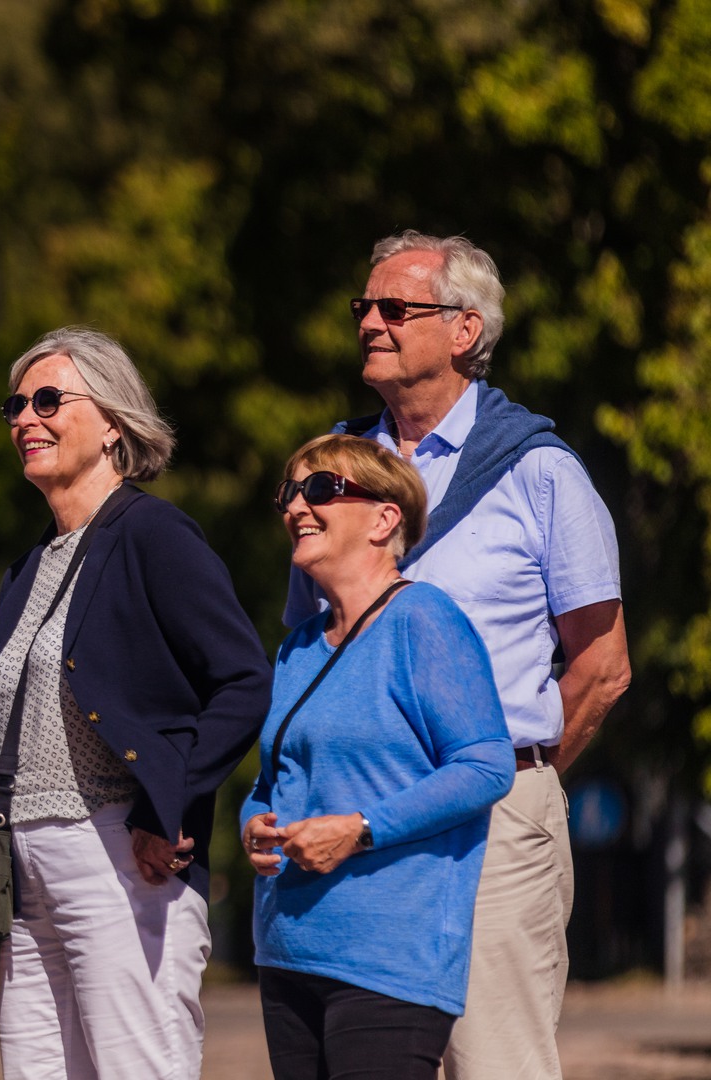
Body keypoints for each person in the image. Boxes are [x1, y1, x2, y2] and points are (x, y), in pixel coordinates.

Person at [287, 231, 631, 1077]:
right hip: (355, 826)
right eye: (364, 307)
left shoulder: (540, 471)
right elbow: (301, 647)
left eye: (395, 308)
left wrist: (524, 777)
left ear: (465, 331)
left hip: (494, 821)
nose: (370, 321)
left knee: (493, 1061)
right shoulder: (334, 475)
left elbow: (602, 663)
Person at [0, 326, 271, 1080]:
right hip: (26, 869)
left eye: (50, 399)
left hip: (119, 859)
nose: (26, 418)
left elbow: (242, 680)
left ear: (113, 425)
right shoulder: (30, 565)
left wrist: (171, 806)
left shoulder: (154, 534)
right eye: (16, 405)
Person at [247, 434, 515, 1078]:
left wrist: (360, 830)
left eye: (321, 490)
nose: (296, 508)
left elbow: (485, 765)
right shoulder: (298, 646)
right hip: (287, 953)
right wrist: (252, 825)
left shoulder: (424, 619)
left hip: (390, 962)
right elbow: (271, 781)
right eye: (289, 493)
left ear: (385, 518)